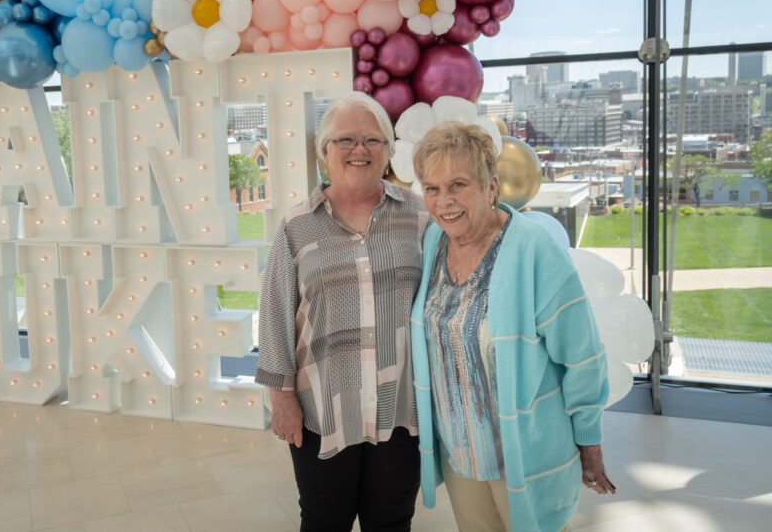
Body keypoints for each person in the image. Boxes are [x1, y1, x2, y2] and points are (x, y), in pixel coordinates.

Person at [409, 121, 614, 532]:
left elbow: (582, 355)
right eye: (431, 188)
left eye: (458, 184)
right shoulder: (434, 241)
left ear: (491, 187)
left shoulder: (533, 249)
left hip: (526, 455)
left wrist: (589, 441)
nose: (443, 201)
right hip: (461, 453)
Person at [256, 92, 429, 531]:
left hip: (401, 411)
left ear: (388, 151)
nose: (360, 150)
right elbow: (275, 314)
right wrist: (282, 399)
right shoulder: (296, 225)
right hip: (321, 409)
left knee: (391, 521)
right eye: (345, 140)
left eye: (373, 140)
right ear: (324, 152)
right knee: (323, 521)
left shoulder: (419, 216)